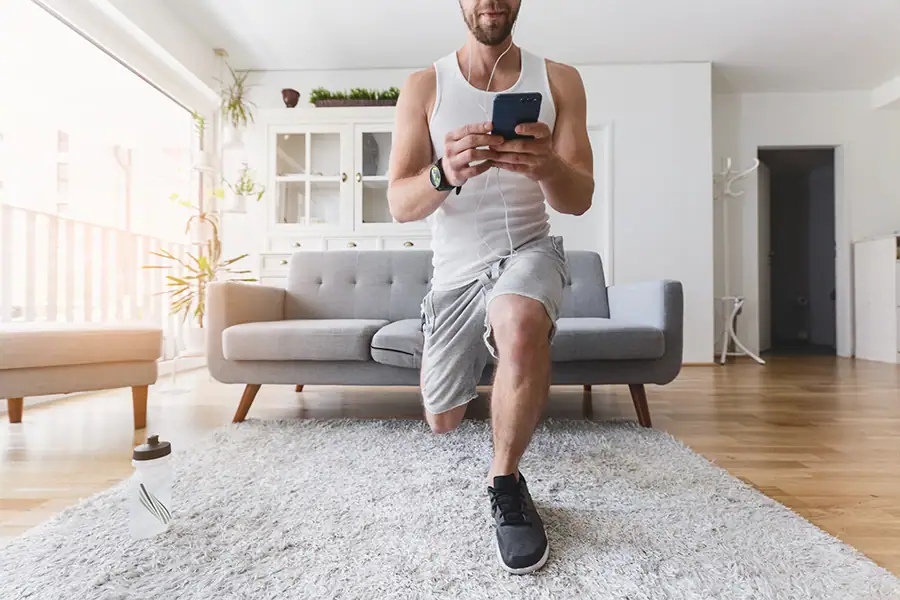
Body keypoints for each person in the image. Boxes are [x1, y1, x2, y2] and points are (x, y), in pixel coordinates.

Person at [387, 0, 594, 575]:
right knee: (443, 420)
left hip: (528, 250)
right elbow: (400, 203)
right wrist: (443, 172)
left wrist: (547, 163)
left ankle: (506, 484)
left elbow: (578, 197)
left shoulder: (559, 79)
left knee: (520, 320)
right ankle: (451, 322)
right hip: (454, 273)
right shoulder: (425, 84)